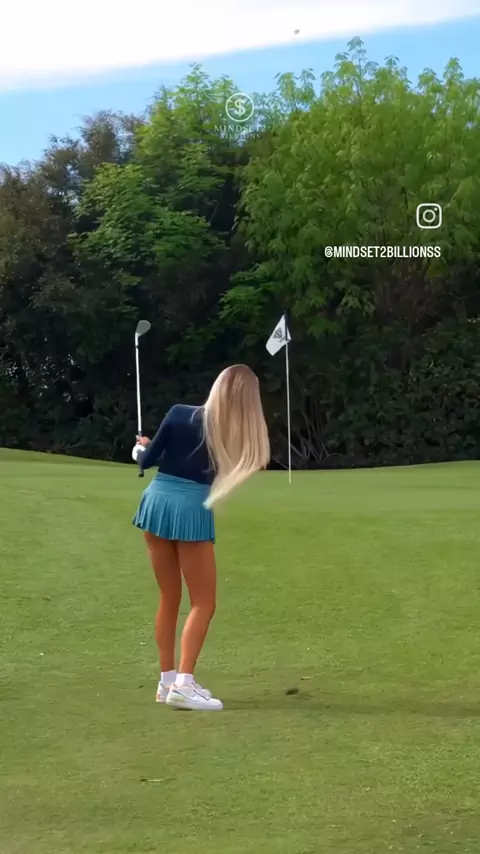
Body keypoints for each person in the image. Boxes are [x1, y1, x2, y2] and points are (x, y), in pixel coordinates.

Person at [131, 364, 270, 711]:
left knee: (169, 597)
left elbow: (147, 460)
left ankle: (167, 682)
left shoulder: (178, 413)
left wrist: (141, 450)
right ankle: (183, 684)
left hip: (156, 501)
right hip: (190, 508)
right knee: (203, 602)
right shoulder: (236, 437)